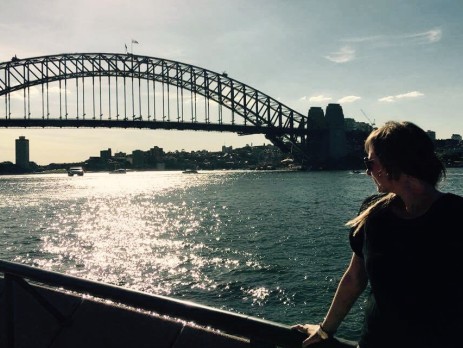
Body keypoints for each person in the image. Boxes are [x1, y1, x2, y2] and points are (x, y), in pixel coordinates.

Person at [293, 121, 463, 348]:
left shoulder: (456, 215)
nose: (366, 171)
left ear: (392, 163)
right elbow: (354, 278)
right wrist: (325, 331)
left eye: (370, 162)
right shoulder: (373, 213)